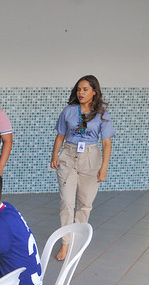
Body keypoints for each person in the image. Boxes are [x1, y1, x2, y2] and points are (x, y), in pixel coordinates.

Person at [50, 75, 114, 261]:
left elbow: (107, 143)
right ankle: (65, 243)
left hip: (91, 157)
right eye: (78, 89)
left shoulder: (103, 114)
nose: (81, 93)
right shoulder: (69, 111)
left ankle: (77, 240)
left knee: (85, 203)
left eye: (85, 89)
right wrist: (55, 155)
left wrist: (104, 168)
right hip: (68, 155)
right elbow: (60, 136)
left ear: (94, 91)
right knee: (67, 203)